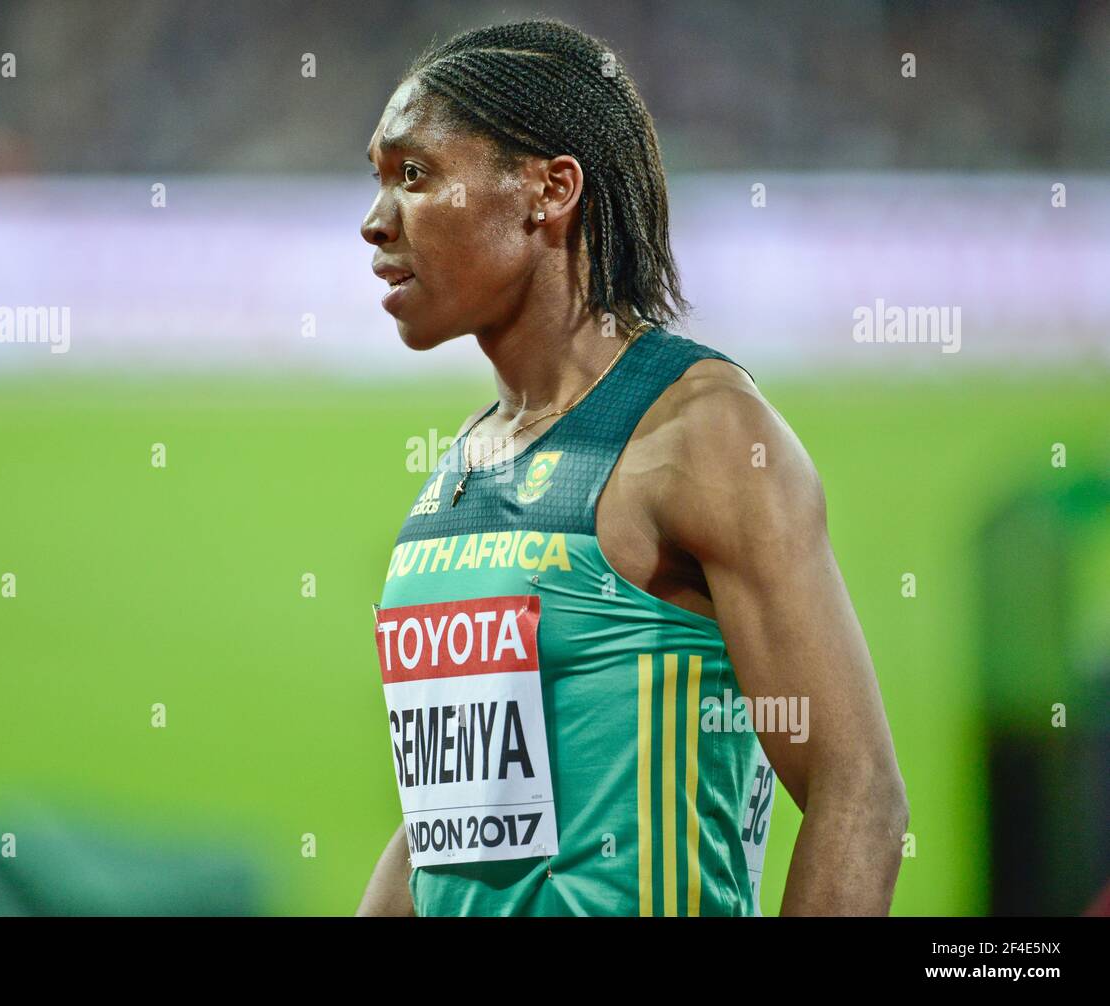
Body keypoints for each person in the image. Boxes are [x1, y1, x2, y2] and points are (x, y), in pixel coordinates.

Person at [357, 18, 907, 917]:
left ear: (550, 189)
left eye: (414, 175)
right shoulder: (459, 470)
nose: (376, 220)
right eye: (379, 179)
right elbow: (444, 829)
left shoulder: (704, 437)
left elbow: (860, 797)